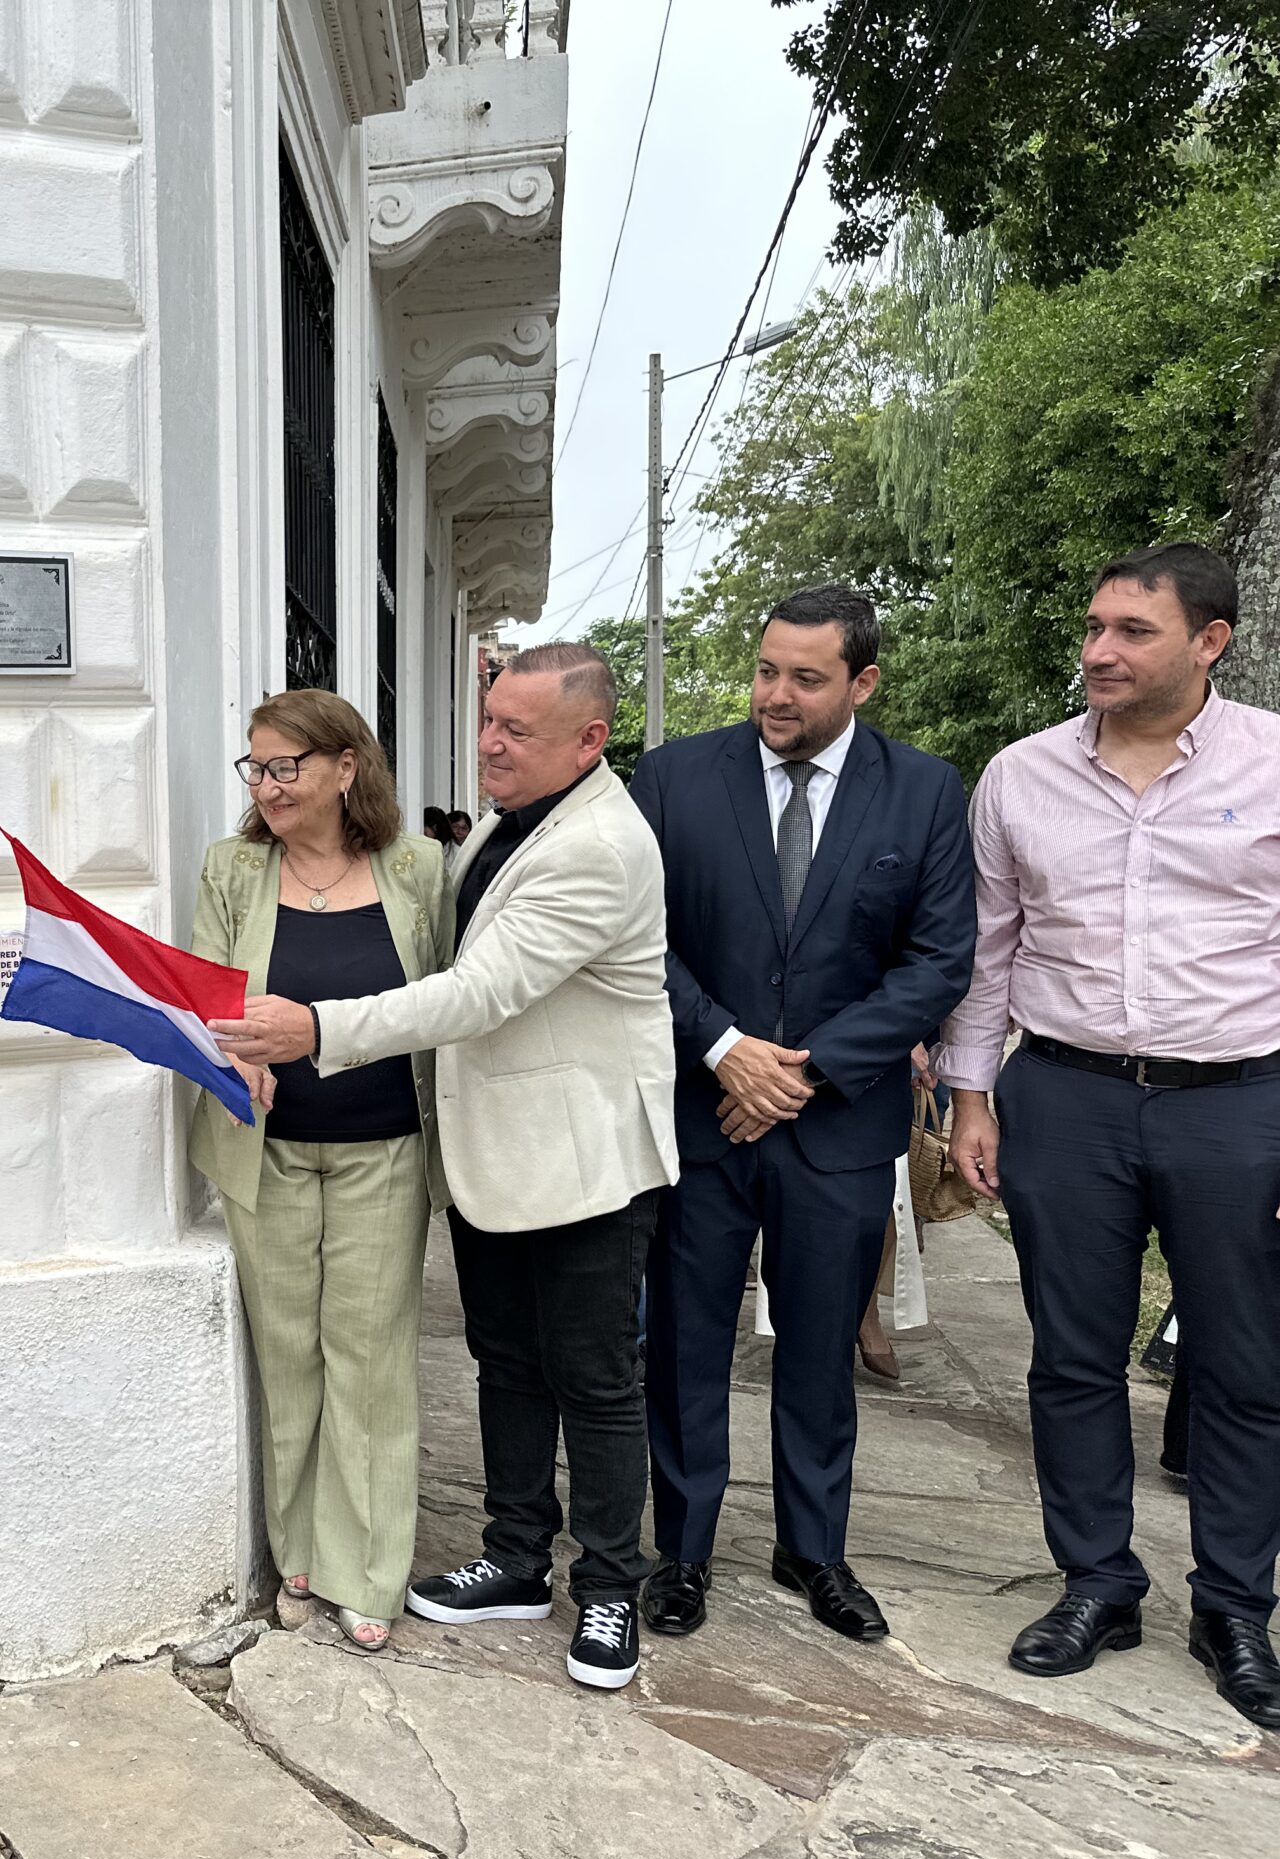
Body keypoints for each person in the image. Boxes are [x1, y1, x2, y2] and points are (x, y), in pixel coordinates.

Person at [215, 643, 678, 1691]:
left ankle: (608, 1590)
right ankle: (517, 1558)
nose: (489, 745)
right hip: (493, 1157)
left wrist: (316, 1029)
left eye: (516, 731)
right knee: (507, 1363)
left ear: (590, 741)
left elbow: (475, 992)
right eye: (487, 722)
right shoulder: (503, 834)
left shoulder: (596, 846)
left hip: (584, 1158)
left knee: (596, 1381)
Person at [937, 543, 1280, 1731]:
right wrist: (970, 1096)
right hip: (1067, 1097)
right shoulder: (1021, 777)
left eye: (1132, 630)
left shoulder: (1274, 762)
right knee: (1071, 1357)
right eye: (1094, 628)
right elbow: (990, 951)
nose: (1098, 651)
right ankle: (1099, 1582)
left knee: (1241, 1363)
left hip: (1238, 1097)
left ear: (1209, 641)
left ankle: (1236, 1606)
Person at [627, 586, 975, 1647]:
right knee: (684, 1342)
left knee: (820, 1345)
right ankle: (680, 1551)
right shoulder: (674, 777)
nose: (775, 694)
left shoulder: (919, 792)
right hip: (699, 1112)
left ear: (861, 682)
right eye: (766, 670)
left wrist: (804, 1072)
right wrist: (728, 1052)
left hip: (836, 1129)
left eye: (805, 677)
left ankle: (812, 1549)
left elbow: (935, 963)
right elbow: (635, 938)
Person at [190, 690, 455, 1652]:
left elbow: (443, 1001)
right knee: (287, 1354)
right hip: (267, 1150)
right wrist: (237, 1052)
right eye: (253, 768)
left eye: (283, 767)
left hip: (385, 1147)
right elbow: (209, 994)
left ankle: (368, 1568)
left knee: (371, 1360)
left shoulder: (419, 867)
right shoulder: (233, 869)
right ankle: (297, 1548)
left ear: (348, 768)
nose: (264, 787)